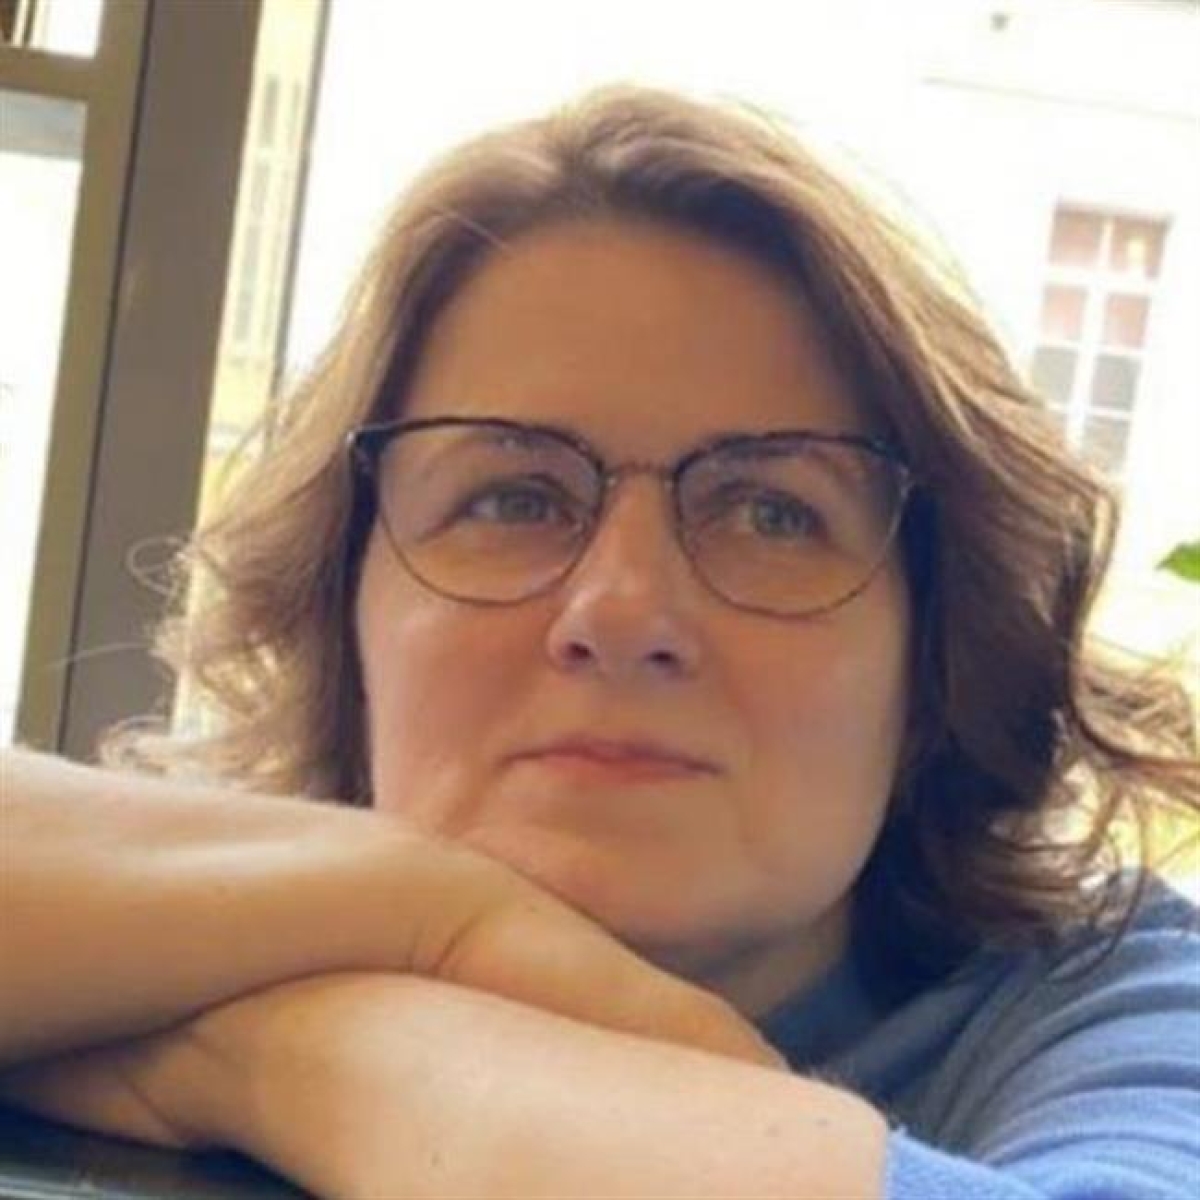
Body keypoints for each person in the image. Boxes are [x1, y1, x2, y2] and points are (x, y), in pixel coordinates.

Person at [1, 85, 1197, 1199]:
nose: (620, 614)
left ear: (933, 657)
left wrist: (281, 1053)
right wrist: (437, 913)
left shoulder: (1113, 996)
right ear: (344, 614)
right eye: (513, 499)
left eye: (774, 514)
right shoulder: (195, 901)